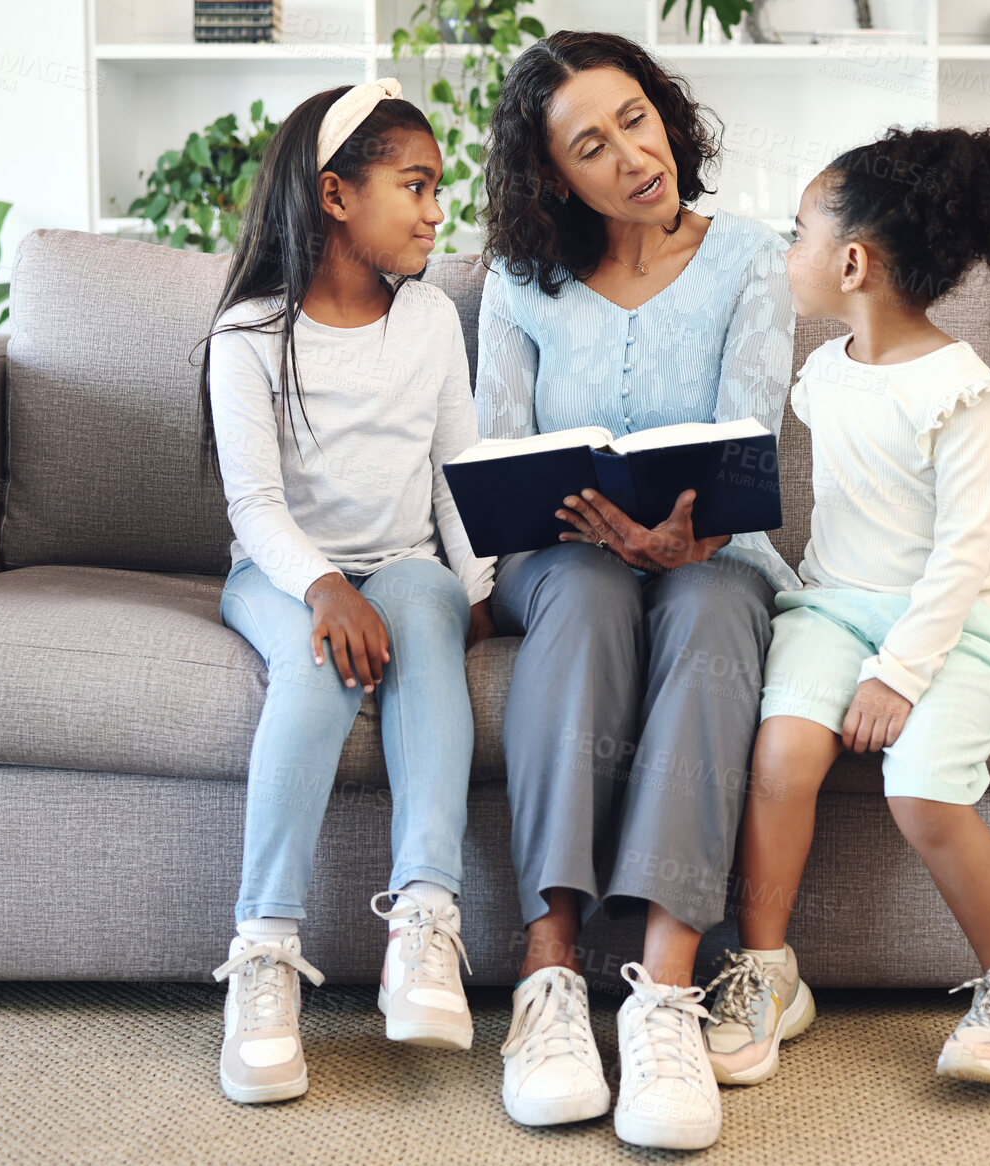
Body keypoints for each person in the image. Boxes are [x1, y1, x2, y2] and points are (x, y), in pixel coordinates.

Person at [474, 30, 796, 1151]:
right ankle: (551, 971)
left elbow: (749, 432)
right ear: (551, 176)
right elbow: (500, 452)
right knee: (585, 590)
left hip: (715, 554)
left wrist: (688, 531)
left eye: (635, 118)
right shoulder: (518, 281)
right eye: (589, 145)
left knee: (709, 606)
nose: (629, 154)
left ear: (666, 112)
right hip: (563, 557)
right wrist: (575, 526)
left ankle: (662, 992)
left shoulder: (751, 253)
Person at [700, 125, 990, 1089]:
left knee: (922, 794)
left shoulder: (963, 393)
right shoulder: (824, 372)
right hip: (830, 607)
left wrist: (897, 676)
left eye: (798, 234)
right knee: (780, 759)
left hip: (948, 623)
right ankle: (768, 972)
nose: (788, 252)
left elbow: (960, 558)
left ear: (853, 261)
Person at [198, 79, 495, 1104]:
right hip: (282, 572)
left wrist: (478, 584)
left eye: (437, 189)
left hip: (402, 556)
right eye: (413, 185)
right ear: (334, 194)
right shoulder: (248, 333)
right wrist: (325, 587)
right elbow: (255, 507)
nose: (432, 211)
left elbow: (459, 475)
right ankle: (265, 948)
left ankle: (424, 919)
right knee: (323, 660)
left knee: (420, 611)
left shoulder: (428, 321)